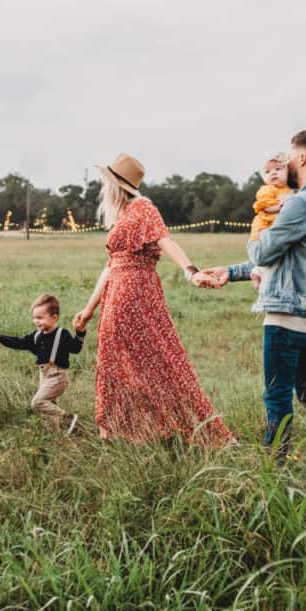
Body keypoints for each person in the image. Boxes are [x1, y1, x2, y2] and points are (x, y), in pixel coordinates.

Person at [201, 130, 306, 472]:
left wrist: (256, 232)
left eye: (290, 157)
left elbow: (263, 251)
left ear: (303, 159)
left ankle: (273, 472)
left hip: (286, 318)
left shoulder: (300, 203)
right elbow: (285, 260)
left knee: (277, 396)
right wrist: (230, 272)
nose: (287, 164)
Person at [74, 152, 235, 445]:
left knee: (155, 361)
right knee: (115, 362)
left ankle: (158, 428)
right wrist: (88, 309)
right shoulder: (123, 215)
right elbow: (111, 265)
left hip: (135, 294)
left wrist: (191, 272)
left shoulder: (143, 209)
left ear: (116, 185)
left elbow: (166, 241)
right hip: (117, 293)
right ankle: (119, 431)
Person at [0, 293, 85, 433]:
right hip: (44, 375)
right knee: (49, 407)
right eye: (34, 318)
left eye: (40, 318)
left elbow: (76, 349)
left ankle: (68, 418)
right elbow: (18, 342)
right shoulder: (37, 336)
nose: (36, 321)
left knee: (38, 402)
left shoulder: (62, 334)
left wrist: (80, 332)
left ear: (54, 317)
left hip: (58, 376)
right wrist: (0, 338)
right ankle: (55, 435)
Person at [250, 152, 294, 290]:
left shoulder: (289, 190)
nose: (273, 173)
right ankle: (259, 273)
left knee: (276, 253)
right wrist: (279, 207)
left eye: (278, 169)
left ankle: (258, 272)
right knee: (268, 248)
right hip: (264, 225)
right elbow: (265, 206)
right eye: (268, 171)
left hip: (276, 226)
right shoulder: (267, 189)